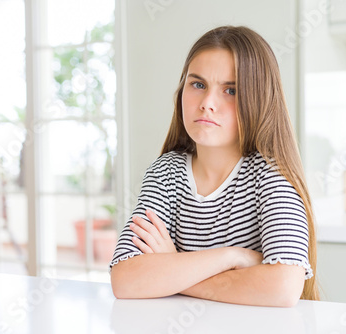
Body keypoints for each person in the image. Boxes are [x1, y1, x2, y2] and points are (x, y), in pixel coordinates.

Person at [109, 25, 319, 307]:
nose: (207, 103)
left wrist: (173, 268)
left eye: (230, 90)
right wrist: (232, 257)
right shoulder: (165, 173)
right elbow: (126, 280)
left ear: (258, 99)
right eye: (198, 85)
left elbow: (282, 288)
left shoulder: (271, 177)